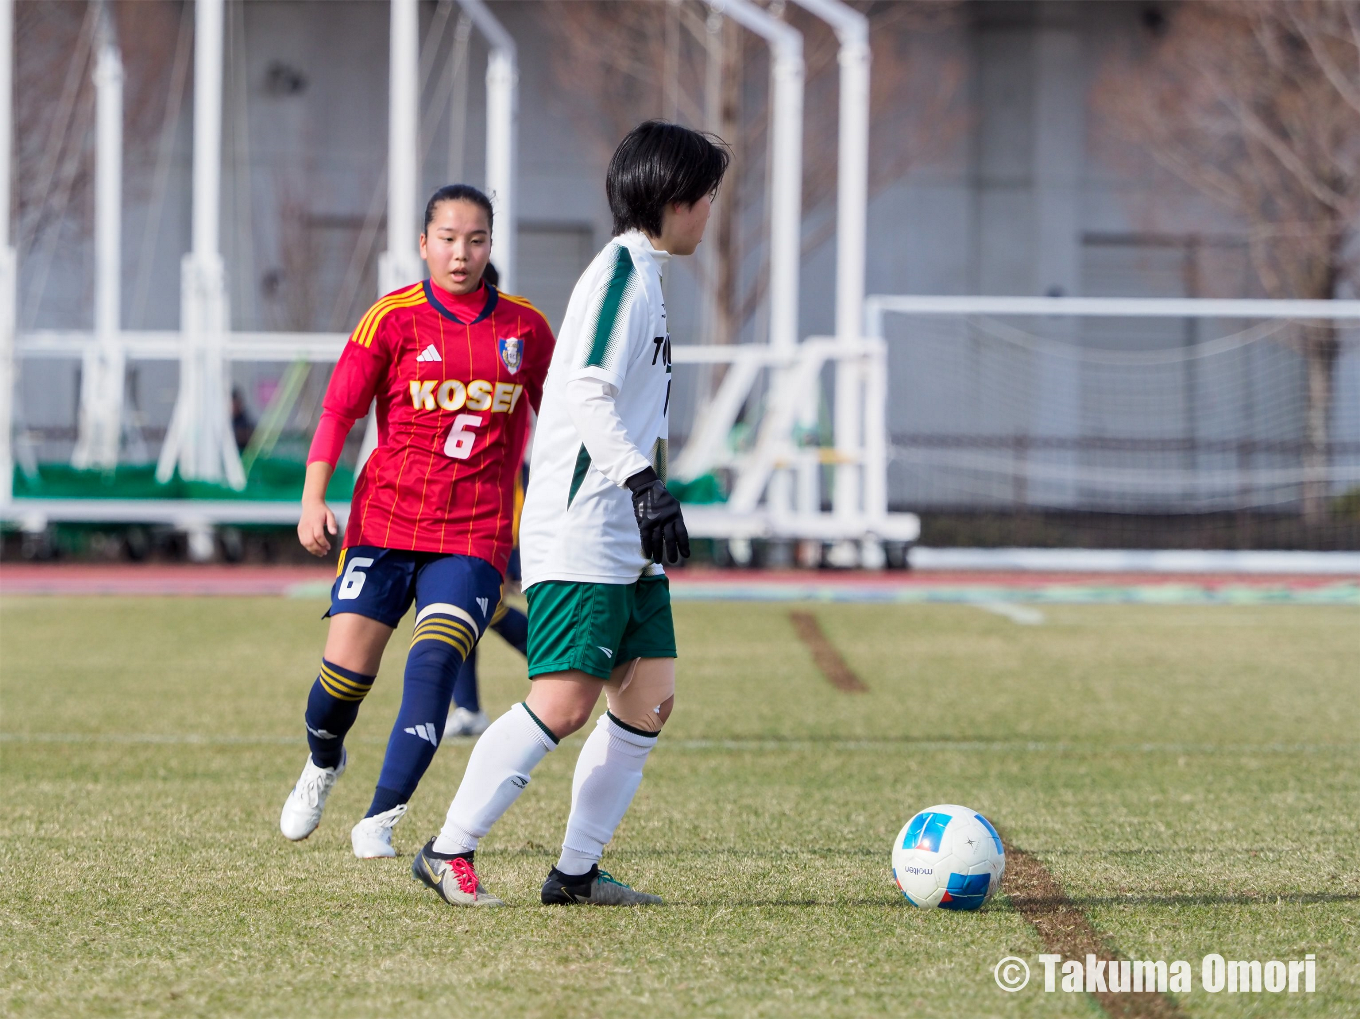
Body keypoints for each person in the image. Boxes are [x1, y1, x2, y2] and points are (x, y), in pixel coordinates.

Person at [412, 121, 729, 907]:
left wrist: (648, 496)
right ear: (674, 198)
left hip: (628, 537)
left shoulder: (651, 275)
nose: (711, 212)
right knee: (563, 701)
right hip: (585, 527)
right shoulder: (618, 273)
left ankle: (577, 873)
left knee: (650, 694)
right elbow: (582, 388)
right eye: (708, 197)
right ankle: (447, 848)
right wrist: (640, 484)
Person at [278, 183, 554, 859]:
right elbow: (338, 412)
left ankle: (380, 818)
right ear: (424, 244)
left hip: (474, 535)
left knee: (433, 663)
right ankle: (323, 761)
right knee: (340, 682)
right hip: (385, 524)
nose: (462, 254)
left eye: (477, 240)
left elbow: (568, 424)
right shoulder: (390, 319)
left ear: (492, 245)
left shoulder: (526, 329)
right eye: (450, 240)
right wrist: (314, 498)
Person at [445, 461, 530, 739]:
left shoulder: (507, 458)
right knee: (459, 618)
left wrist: (511, 561)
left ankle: (565, 661)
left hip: (487, 547)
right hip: (460, 544)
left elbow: (516, 504)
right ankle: (468, 710)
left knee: (465, 614)